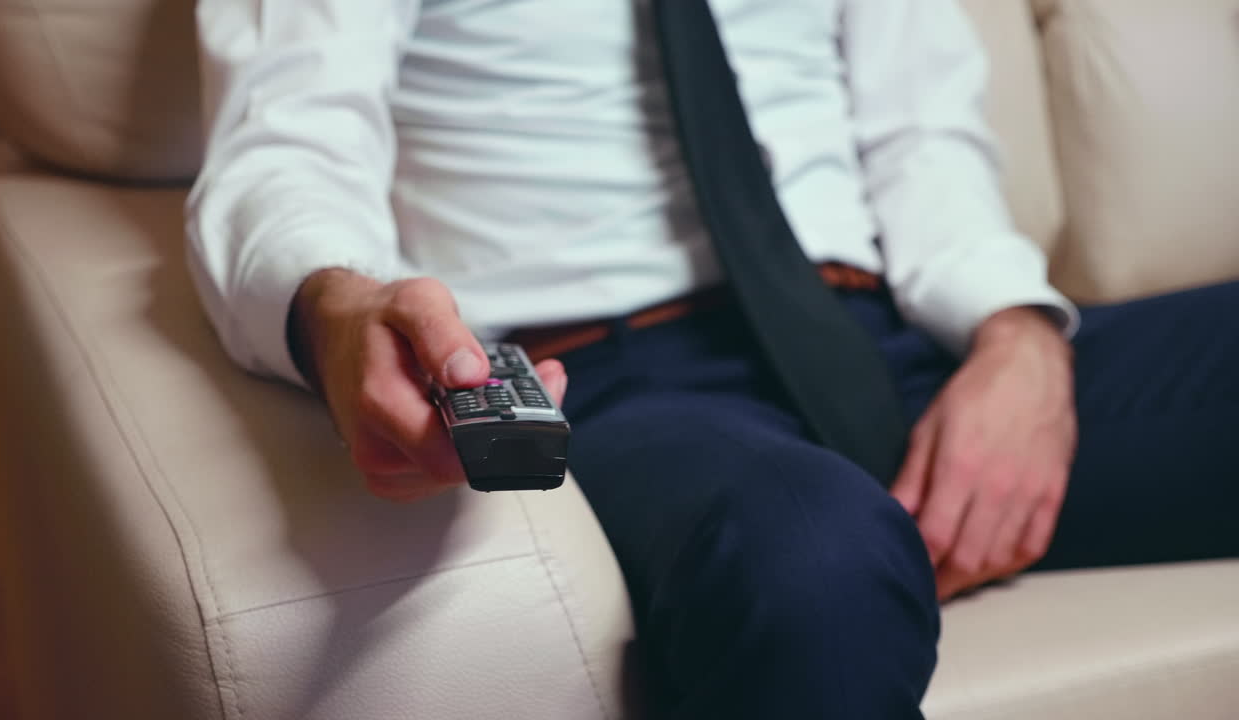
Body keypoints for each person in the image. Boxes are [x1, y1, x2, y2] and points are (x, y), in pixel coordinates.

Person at [186, 0, 1239, 716]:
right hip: (619, 379)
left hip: (881, 338)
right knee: (814, 557)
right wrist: (339, 309)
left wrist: (1017, 336)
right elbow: (285, 144)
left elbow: (921, 135)